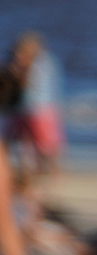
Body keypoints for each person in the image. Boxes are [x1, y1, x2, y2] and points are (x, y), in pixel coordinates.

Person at [8, 34, 64, 180]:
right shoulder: (42, 62)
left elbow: (29, 85)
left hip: (40, 109)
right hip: (24, 108)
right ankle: (28, 169)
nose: (18, 55)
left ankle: (52, 170)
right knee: (21, 140)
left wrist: (18, 71)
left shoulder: (40, 64)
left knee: (45, 143)